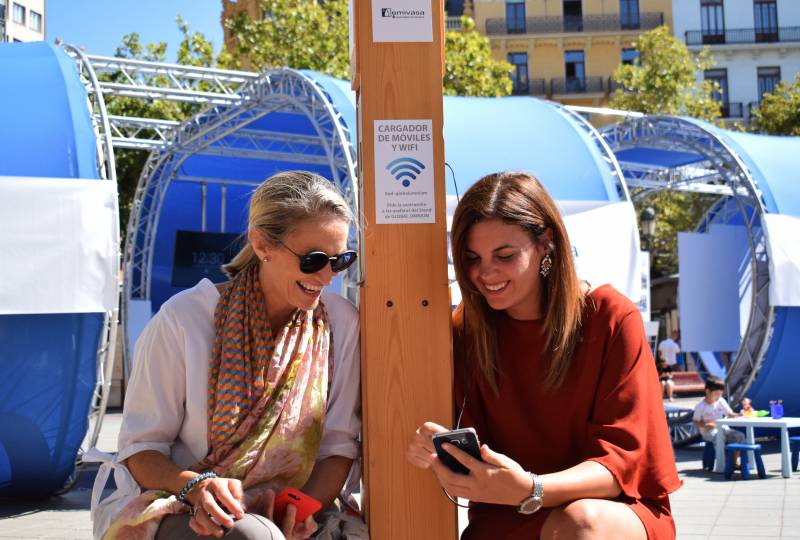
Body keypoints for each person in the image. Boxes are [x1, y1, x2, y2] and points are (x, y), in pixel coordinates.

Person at [407, 172, 681, 540]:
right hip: (508, 514)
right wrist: (434, 448)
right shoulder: (466, 331)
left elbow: (621, 464)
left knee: (582, 522)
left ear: (546, 243)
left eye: (505, 255)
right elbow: (468, 448)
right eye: (472, 258)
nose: (485, 273)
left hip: (611, 510)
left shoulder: (612, 317)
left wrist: (532, 488)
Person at [90, 171, 362, 540]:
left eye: (340, 259)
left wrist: (297, 511)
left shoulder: (340, 323)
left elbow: (338, 446)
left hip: (299, 508)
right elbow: (142, 450)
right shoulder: (183, 320)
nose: (327, 275)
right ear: (262, 244)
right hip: (185, 505)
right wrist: (198, 488)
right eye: (314, 260)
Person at [692, 376, 744, 445]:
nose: (719, 396)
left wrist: (741, 414)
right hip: (709, 431)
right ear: (708, 391)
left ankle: (736, 456)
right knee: (719, 437)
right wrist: (706, 425)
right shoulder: (701, 406)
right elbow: (696, 422)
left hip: (723, 428)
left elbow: (729, 414)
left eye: (721, 393)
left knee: (739, 436)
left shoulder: (721, 401)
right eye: (717, 394)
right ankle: (720, 455)